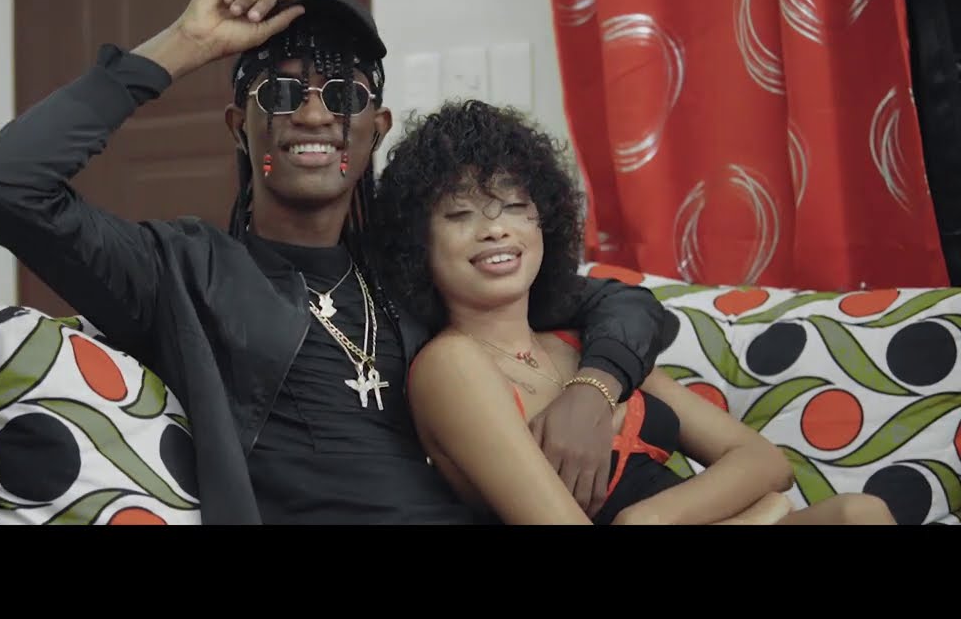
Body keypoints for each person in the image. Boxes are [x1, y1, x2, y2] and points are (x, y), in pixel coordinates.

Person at [0, 0, 668, 524]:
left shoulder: (411, 266)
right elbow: (5, 183)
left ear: (375, 129)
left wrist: (593, 389)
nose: (314, 114)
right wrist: (186, 42)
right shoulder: (182, 270)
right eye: (281, 92)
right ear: (239, 126)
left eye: (344, 95)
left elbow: (624, 303)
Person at [369, 99, 898, 525]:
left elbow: (766, 462)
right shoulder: (452, 364)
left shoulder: (584, 345)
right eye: (460, 214)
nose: (495, 229)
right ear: (418, 244)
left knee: (860, 513)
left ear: (544, 222)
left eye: (515, 206)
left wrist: (653, 517)